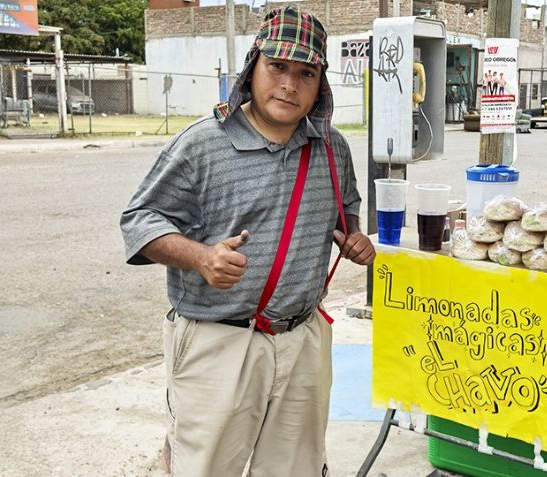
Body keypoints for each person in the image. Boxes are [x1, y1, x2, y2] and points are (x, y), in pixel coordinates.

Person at [120, 7, 375, 476]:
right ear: (252, 66)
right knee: (206, 468)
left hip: (303, 339)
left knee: (296, 468)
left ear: (321, 84)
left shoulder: (331, 147)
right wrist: (200, 257)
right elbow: (139, 221)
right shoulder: (201, 144)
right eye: (277, 66)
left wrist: (354, 238)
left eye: (306, 73)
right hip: (220, 343)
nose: (290, 85)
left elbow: (346, 209)